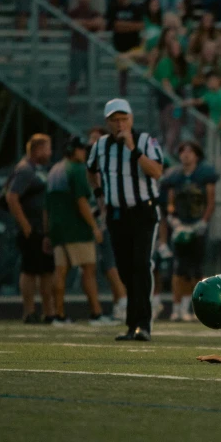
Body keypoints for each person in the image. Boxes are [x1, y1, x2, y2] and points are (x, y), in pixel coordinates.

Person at [87, 99, 164, 341]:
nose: (119, 124)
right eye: (114, 120)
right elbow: (91, 169)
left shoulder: (144, 141)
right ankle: (133, 324)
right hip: (116, 213)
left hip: (142, 212)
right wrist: (100, 197)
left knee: (141, 265)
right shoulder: (100, 145)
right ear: (107, 122)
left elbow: (157, 171)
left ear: (131, 119)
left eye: (123, 119)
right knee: (125, 269)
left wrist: (133, 149)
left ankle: (143, 324)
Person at [46, 136, 116, 326]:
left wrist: (47, 232)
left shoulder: (54, 170)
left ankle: (58, 315)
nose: (85, 153)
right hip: (76, 228)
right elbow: (81, 201)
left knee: (60, 271)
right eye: (82, 149)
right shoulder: (77, 169)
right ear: (74, 150)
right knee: (89, 270)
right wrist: (94, 226)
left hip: (58, 228)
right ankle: (96, 313)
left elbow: (48, 205)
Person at [160, 141, 219, 322]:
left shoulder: (205, 174)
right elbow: (170, 202)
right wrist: (174, 219)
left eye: (190, 151)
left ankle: (197, 307)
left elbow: (210, 201)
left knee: (196, 269)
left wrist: (203, 222)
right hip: (181, 225)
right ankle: (177, 307)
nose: (186, 154)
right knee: (179, 269)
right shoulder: (174, 176)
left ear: (197, 155)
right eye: (182, 151)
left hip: (197, 225)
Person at [5, 134, 56, 324]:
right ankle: (29, 311)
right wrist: (26, 227)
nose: (50, 152)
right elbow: (12, 197)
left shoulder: (36, 169)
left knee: (46, 271)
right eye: (48, 148)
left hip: (41, 230)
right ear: (38, 149)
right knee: (30, 270)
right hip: (32, 229)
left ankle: (48, 312)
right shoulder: (25, 170)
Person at [86, 127, 127, 322]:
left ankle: (124, 303)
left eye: (96, 139)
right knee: (109, 265)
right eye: (91, 139)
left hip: (109, 219)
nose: (92, 143)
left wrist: (102, 217)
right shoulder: (95, 164)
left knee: (111, 265)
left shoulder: (107, 165)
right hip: (102, 218)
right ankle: (120, 304)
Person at [107, 0, 144, 96]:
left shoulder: (136, 8)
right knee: (122, 72)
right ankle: (123, 93)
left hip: (134, 46)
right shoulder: (113, 8)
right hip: (119, 47)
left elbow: (140, 25)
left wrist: (123, 26)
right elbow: (115, 26)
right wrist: (131, 26)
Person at [67, 0, 105, 97]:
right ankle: (71, 104)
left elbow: (100, 24)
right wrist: (90, 24)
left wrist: (82, 23)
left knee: (92, 79)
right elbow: (72, 24)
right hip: (77, 49)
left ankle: (91, 100)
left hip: (91, 51)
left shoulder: (94, 12)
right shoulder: (73, 12)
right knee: (73, 79)